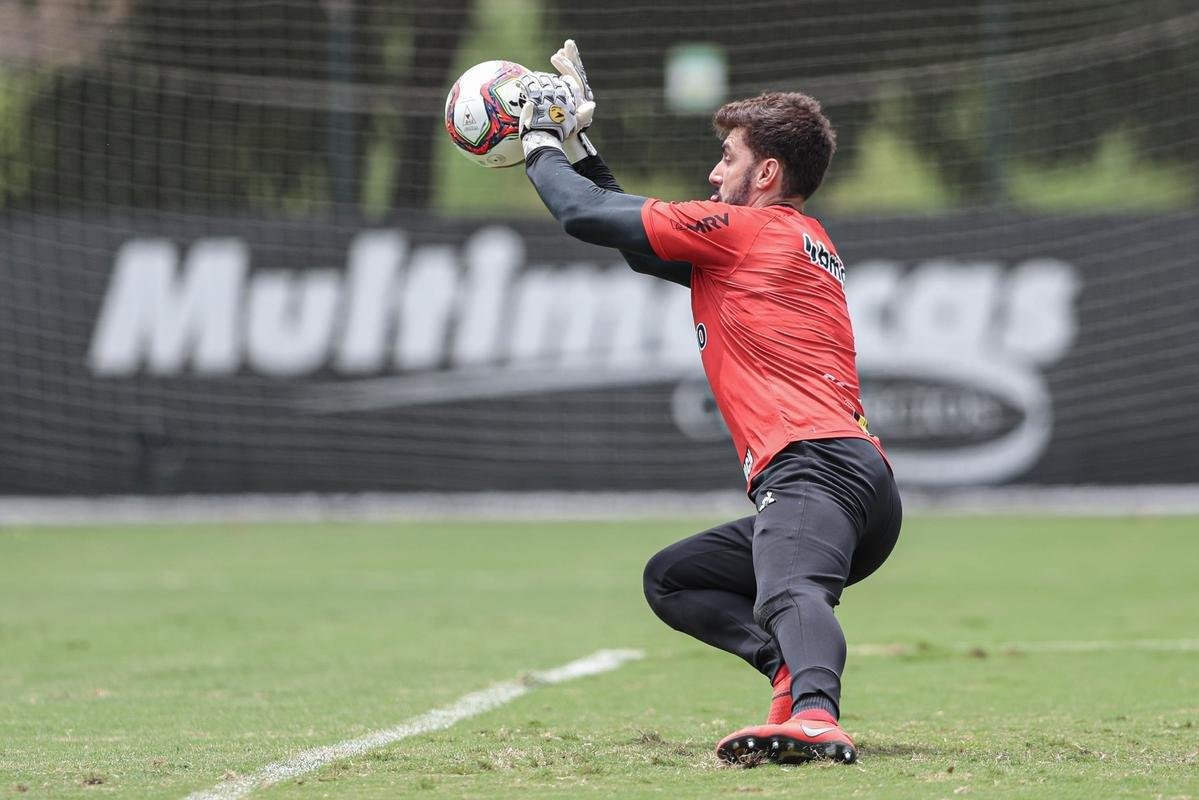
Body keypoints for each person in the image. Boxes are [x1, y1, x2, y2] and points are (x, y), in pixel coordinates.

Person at [518, 42, 902, 766]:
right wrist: (578, 143)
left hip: (813, 466)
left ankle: (816, 718)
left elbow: (581, 215)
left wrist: (536, 138)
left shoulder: (747, 232)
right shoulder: (790, 237)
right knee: (674, 578)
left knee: (788, 590)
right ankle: (786, 671)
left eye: (726, 157)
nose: (712, 171)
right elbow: (631, 240)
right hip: (853, 478)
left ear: (766, 172)